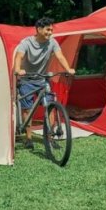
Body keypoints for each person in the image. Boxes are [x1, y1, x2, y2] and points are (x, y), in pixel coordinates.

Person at [13, 17, 75, 149]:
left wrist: (68, 69)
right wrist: (18, 70)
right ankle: (28, 138)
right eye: (48, 29)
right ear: (39, 29)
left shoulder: (52, 43)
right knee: (27, 110)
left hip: (42, 79)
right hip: (27, 80)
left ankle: (50, 137)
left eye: (51, 30)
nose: (50, 32)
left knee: (51, 107)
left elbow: (60, 56)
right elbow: (19, 56)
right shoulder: (26, 42)